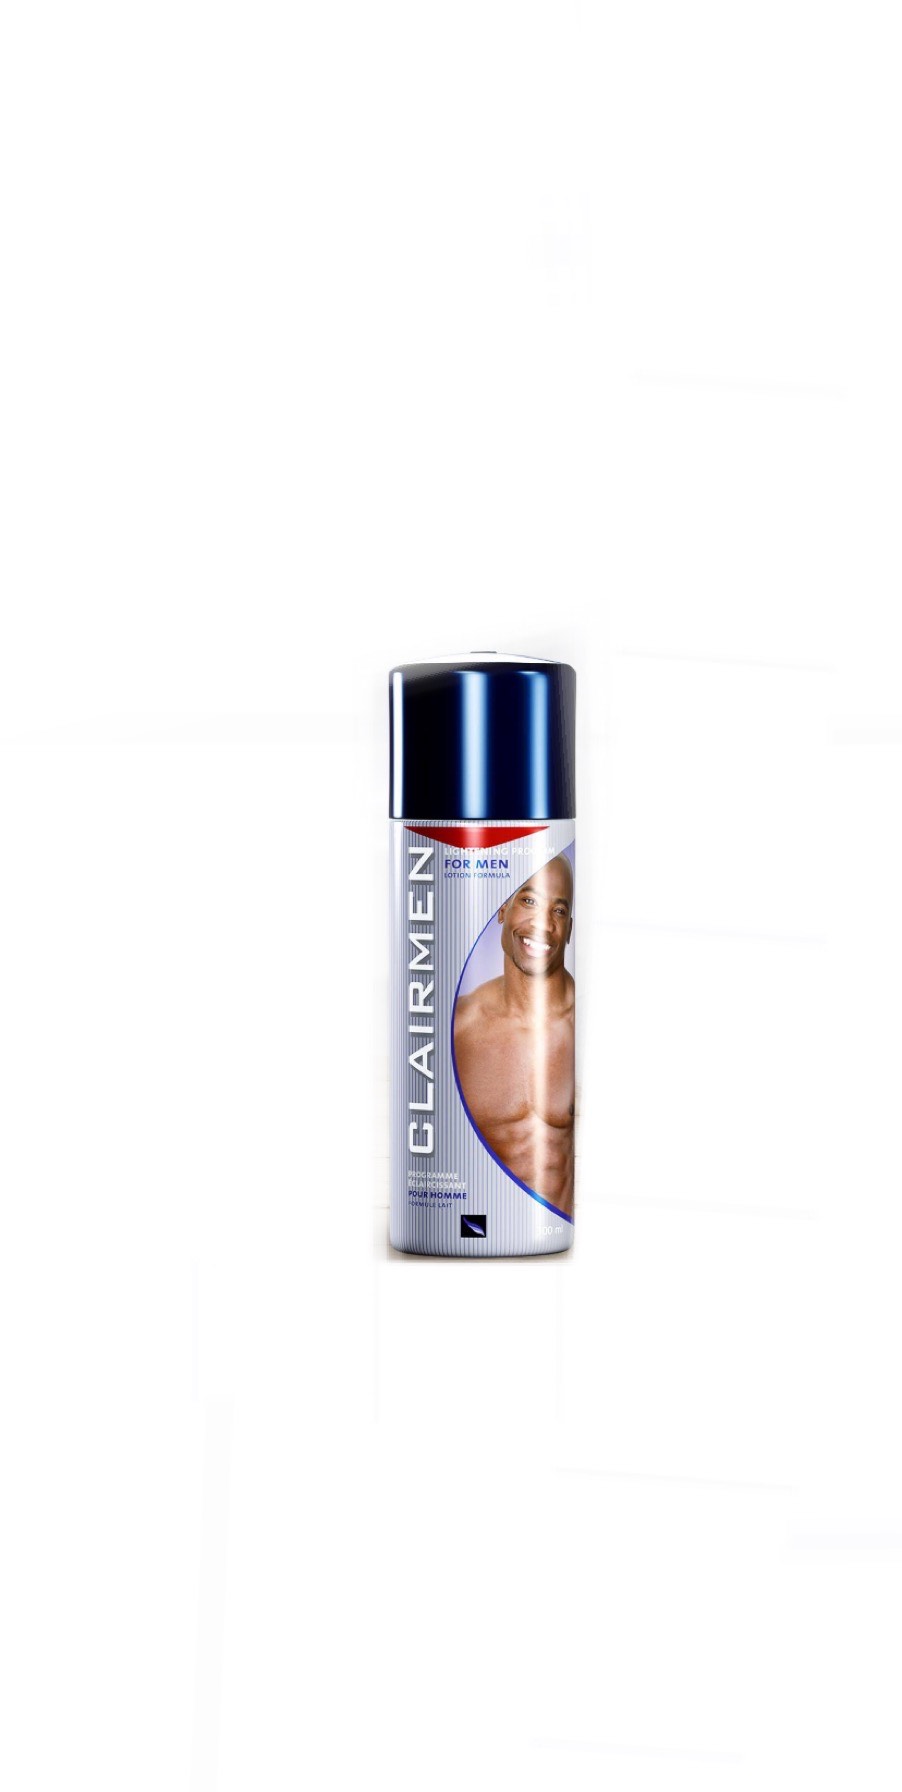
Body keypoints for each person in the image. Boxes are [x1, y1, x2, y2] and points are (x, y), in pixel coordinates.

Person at [454, 855, 575, 1215]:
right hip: (475, 1223)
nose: (543, 924)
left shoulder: (585, 1024)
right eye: (529, 900)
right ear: (502, 909)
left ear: (569, 929)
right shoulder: (459, 1025)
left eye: (558, 911)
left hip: (554, 1232)